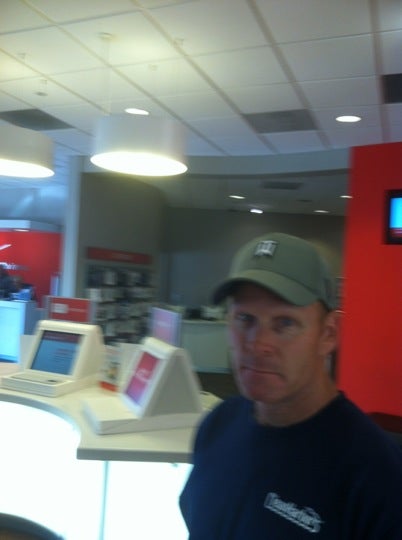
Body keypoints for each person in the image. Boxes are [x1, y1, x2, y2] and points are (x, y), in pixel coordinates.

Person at [179, 232, 402, 539]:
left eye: (284, 323)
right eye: (245, 318)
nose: (257, 344)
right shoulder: (217, 424)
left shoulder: (376, 474)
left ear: (328, 334)